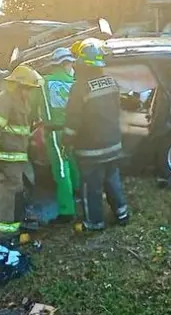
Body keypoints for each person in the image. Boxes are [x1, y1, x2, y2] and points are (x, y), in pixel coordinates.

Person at [64, 40, 130, 230]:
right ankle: (121, 214)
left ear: (82, 65)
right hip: (113, 144)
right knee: (112, 179)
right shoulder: (111, 82)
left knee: (91, 187)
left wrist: (66, 140)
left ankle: (94, 222)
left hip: (90, 149)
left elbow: (73, 121)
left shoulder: (80, 88)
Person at [0, 65, 43, 243]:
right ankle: (7, 236)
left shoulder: (21, 102)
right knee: (7, 197)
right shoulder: (4, 101)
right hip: (4, 158)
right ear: (17, 86)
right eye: (27, 89)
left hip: (16, 158)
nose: (29, 92)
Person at [35, 48, 80, 220]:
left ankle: (66, 210)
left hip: (54, 133)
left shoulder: (43, 83)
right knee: (74, 164)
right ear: (65, 64)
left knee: (61, 169)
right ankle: (78, 194)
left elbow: (33, 108)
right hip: (73, 130)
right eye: (69, 63)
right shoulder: (74, 83)